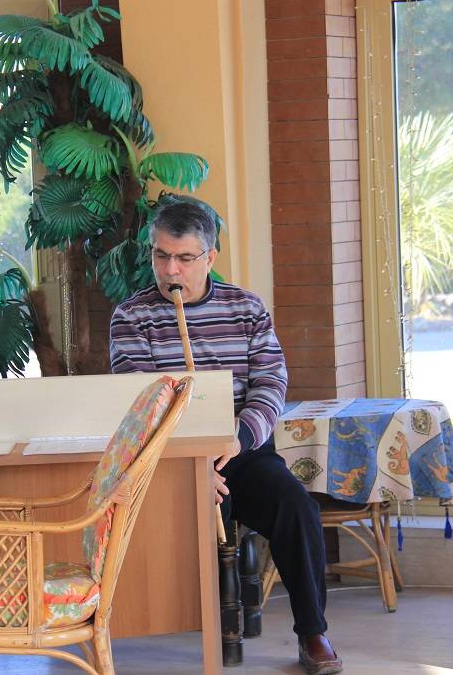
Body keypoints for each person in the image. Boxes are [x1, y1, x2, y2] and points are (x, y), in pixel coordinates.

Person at [109, 197, 342, 675]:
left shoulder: (246, 308)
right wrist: (188, 465)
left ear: (210, 256)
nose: (170, 270)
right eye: (160, 255)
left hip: (242, 448)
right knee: (203, 511)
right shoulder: (131, 317)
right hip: (171, 457)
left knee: (297, 508)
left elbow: (271, 384)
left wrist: (237, 438)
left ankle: (313, 633)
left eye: (183, 258)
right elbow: (141, 408)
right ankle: (209, 629)